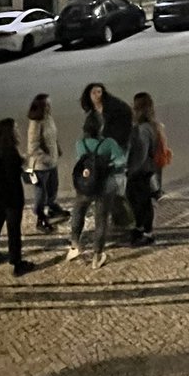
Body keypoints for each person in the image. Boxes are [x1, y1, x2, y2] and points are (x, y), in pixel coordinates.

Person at [66, 115, 126, 269]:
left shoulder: (81, 143)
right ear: (101, 127)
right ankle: (97, 255)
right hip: (104, 186)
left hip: (85, 185)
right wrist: (109, 164)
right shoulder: (109, 143)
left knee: (78, 212)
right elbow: (121, 161)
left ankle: (74, 246)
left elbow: (80, 159)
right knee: (101, 220)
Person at [0, 117, 34, 276]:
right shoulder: (10, 152)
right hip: (11, 197)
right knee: (13, 230)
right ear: (10, 133)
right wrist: (24, 164)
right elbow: (13, 175)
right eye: (16, 129)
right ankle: (17, 263)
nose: (18, 131)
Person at [26, 93, 68, 232]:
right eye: (47, 104)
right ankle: (41, 219)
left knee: (52, 189)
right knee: (40, 195)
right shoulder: (35, 123)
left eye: (50, 104)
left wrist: (58, 149)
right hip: (40, 166)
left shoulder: (49, 118)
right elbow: (32, 148)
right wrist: (48, 158)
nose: (50, 107)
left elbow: (53, 137)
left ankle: (52, 209)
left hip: (52, 163)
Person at [127, 93, 159, 244]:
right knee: (141, 202)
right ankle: (141, 228)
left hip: (140, 171)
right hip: (146, 169)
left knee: (141, 202)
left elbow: (142, 153)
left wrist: (130, 170)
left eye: (135, 106)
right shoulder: (150, 126)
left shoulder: (143, 129)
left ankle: (147, 232)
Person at [80, 82, 133, 150]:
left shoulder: (115, 108)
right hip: (99, 146)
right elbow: (88, 131)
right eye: (94, 93)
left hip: (117, 144)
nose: (97, 95)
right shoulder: (91, 115)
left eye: (99, 92)